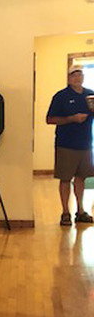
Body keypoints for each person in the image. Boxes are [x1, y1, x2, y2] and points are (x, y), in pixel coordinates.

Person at [46, 64, 94, 226]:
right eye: (74, 75)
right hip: (66, 145)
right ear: (68, 77)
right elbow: (50, 119)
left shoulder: (90, 95)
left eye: (80, 74)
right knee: (65, 179)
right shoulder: (61, 96)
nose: (77, 77)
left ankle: (80, 211)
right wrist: (71, 119)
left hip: (86, 144)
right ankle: (65, 212)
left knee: (81, 178)